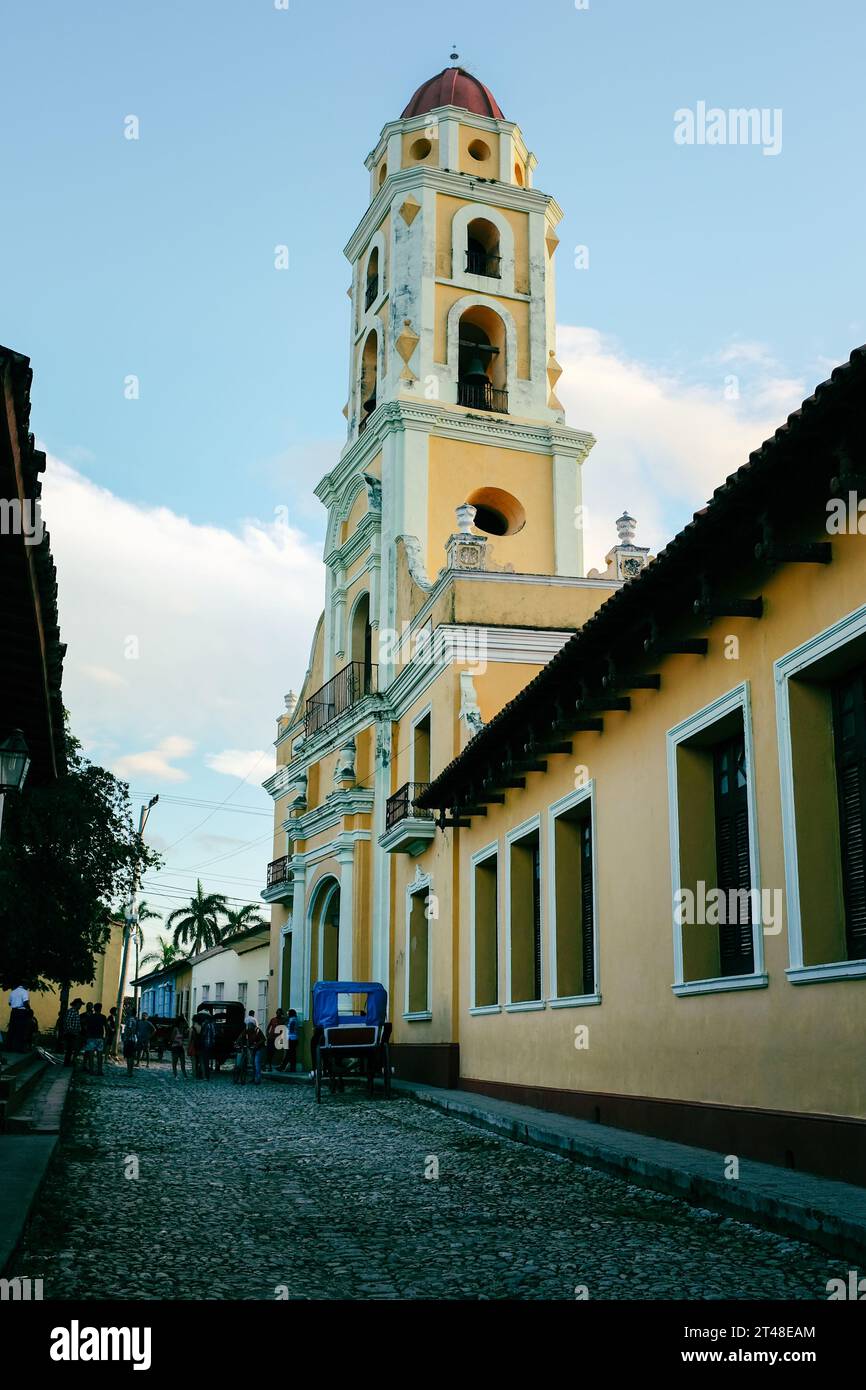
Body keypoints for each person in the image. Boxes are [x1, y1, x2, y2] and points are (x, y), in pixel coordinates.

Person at [82, 1002, 107, 1075]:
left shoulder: (90, 1017)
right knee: (99, 1055)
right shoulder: (103, 1017)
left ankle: (91, 1070)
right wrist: (106, 1037)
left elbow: (84, 1024)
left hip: (91, 1037)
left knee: (91, 1055)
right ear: (100, 1009)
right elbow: (106, 1028)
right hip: (100, 1038)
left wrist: (87, 1032)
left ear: (94, 1009)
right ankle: (99, 1071)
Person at [62, 998, 84, 1067]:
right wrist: (72, 1031)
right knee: (69, 1048)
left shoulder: (76, 1012)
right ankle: (67, 1063)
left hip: (74, 1033)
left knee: (71, 1049)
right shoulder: (71, 1011)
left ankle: (68, 1062)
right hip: (70, 1033)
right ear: (77, 1004)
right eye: (80, 1004)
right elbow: (68, 1022)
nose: (80, 1006)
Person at [278, 1008, 300, 1074]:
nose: (287, 1014)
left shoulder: (292, 1020)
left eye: (288, 1013)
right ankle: (292, 1068)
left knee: (289, 1053)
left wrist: (287, 1027)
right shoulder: (295, 1019)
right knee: (293, 1054)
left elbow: (291, 1029)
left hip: (291, 1038)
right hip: (294, 1038)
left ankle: (283, 1066)